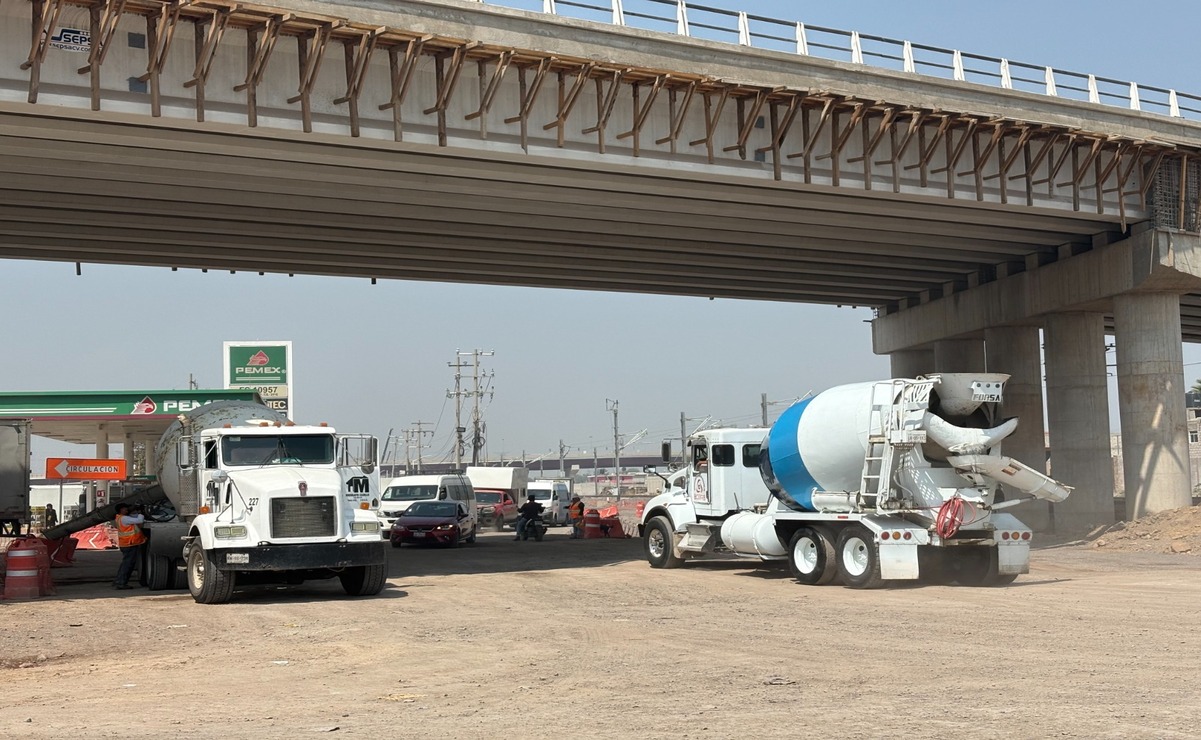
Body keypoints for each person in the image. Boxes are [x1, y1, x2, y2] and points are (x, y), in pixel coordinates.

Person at [113, 503, 147, 590]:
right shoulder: (124, 518)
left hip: (126, 544)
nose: (127, 510)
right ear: (121, 510)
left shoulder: (119, 518)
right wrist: (141, 512)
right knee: (128, 565)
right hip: (129, 544)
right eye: (125, 509)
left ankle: (118, 581)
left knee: (125, 564)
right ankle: (121, 583)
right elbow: (139, 520)